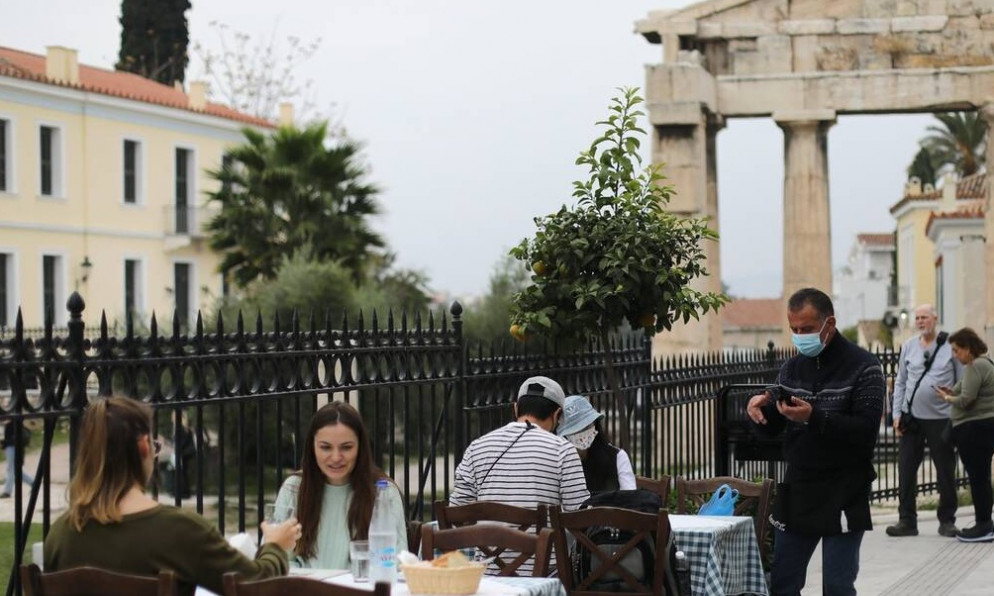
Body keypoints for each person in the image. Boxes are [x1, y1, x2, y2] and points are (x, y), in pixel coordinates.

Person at [44, 397, 297, 596]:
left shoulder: (61, 535)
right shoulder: (180, 530)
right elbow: (256, 586)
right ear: (144, 445)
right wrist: (275, 546)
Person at [746, 288, 884, 596]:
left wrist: (813, 417)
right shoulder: (792, 368)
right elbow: (772, 428)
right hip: (799, 488)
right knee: (783, 581)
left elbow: (865, 432)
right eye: (793, 329)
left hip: (845, 489)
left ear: (829, 324)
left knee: (837, 586)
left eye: (806, 329)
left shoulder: (864, 366)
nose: (799, 336)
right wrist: (758, 413)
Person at [450, 376, 589, 575]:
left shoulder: (476, 447)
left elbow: (457, 513)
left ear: (515, 409)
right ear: (557, 414)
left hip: (486, 579)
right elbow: (579, 518)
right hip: (542, 579)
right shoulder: (563, 450)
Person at [274, 401, 407, 568]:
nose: (336, 457)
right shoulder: (293, 489)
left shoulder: (384, 492)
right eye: (326, 447)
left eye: (346, 447)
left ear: (360, 448)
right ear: (312, 447)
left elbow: (396, 563)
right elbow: (278, 562)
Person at [886, 304, 961, 538]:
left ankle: (947, 520)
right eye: (917, 317)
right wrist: (896, 414)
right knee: (906, 469)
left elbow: (961, 382)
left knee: (946, 470)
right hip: (912, 418)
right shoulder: (909, 346)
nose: (920, 321)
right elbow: (900, 383)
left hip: (941, 418)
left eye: (924, 317)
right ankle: (907, 520)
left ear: (935, 319)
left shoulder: (950, 346)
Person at [935, 327, 994, 542]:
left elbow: (967, 399)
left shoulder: (976, 365)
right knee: (981, 478)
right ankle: (985, 522)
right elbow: (965, 391)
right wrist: (952, 392)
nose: (955, 355)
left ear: (968, 349)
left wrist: (948, 399)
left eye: (957, 350)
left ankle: (983, 524)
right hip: (979, 428)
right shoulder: (982, 364)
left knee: (978, 479)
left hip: (975, 429)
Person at [556, 395, 636, 493]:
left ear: (595, 425)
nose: (581, 434)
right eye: (574, 430)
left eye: (586, 427)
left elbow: (630, 496)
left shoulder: (617, 457)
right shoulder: (557, 462)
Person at [2, 420, 34, 498]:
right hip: (13, 447)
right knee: (17, 470)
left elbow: (15, 438)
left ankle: (7, 491)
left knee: (11, 469)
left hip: (13, 447)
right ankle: (34, 483)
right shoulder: (13, 423)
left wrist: (4, 442)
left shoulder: (14, 423)